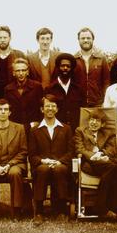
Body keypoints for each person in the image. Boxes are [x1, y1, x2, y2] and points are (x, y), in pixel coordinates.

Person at [73, 108, 117, 223]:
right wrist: (94, 155)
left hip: (106, 163)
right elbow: (80, 149)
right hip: (89, 164)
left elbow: (112, 150)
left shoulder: (108, 133)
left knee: (116, 168)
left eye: (97, 121)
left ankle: (101, 206)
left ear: (103, 124)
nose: (94, 123)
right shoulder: (80, 131)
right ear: (88, 121)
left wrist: (102, 154)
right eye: (92, 120)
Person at [28, 96, 74, 225]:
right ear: (42, 109)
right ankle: (39, 212)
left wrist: (60, 161)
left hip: (60, 164)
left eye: (53, 106)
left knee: (59, 170)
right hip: (42, 165)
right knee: (43, 170)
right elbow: (32, 155)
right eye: (47, 106)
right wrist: (43, 161)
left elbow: (71, 152)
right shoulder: (34, 130)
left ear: (57, 109)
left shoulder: (66, 128)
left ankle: (61, 210)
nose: (50, 109)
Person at [45, 52, 85, 130]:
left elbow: (83, 112)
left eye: (68, 66)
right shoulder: (50, 89)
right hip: (57, 131)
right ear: (58, 67)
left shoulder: (78, 89)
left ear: (72, 68)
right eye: (62, 66)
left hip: (75, 130)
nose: (65, 68)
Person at [0, 25, 26, 98]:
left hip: (14, 94)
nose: (2, 40)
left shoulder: (19, 55)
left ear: (9, 38)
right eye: (0, 37)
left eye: (5, 37)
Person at [73, 27, 111, 106]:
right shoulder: (73, 60)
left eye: (88, 38)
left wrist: (105, 100)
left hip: (97, 103)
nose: (86, 40)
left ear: (93, 39)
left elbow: (106, 82)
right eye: (83, 38)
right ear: (79, 40)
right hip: (78, 104)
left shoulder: (101, 59)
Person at [4, 57, 44, 130]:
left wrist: (39, 122)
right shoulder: (8, 89)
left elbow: (41, 107)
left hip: (33, 127)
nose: (21, 73)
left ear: (27, 72)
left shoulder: (37, 87)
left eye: (23, 70)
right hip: (15, 127)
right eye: (18, 71)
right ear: (13, 73)